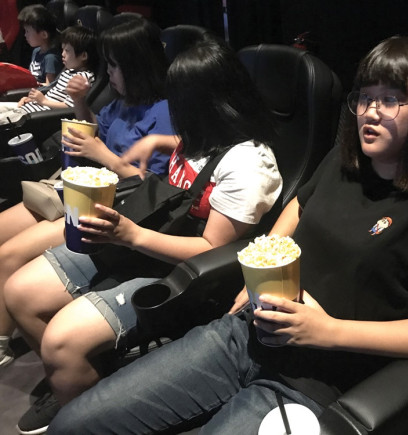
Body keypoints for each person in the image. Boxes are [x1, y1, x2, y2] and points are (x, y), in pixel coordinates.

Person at [41, 34, 408, 434]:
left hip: (317, 380)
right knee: (74, 423)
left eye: (390, 99)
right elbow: (299, 205)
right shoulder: (343, 161)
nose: (369, 112)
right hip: (247, 334)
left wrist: (329, 331)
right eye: (365, 97)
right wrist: (259, 269)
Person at [6, 37, 282, 434]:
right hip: (145, 236)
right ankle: (75, 378)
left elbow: (211, 248)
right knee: (19, 292)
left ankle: (84, 396)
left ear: (207, 104)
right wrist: (157, 140)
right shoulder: (203, 134)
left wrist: (130, 235)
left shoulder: (249, 165)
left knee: (60, 343)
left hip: (178, 268)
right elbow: (188, 156)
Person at [0, 16, 174, 371]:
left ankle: (9, 346)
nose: (107, 73)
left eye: (113, 65)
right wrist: (80, 102)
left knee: (8, 257)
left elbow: (153, 187)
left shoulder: (164, 113)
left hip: (112, 203)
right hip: (79, 186)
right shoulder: (122, 101)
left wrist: (102, 154)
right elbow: (96, 131)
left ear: (137, 65)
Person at [0, 25, 97, 125]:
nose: (62, 54)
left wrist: (43, 101)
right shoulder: (68, 71)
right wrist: (32, 99)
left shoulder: (83, 78)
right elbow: (53, 94)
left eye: (67, 51)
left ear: (83, 56)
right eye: (62, 49)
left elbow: (70, 106)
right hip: (29, 107)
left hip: (31, 115)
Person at [18, 4, 63, 86]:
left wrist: (36, 84)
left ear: (44, 35)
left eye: (28, 31)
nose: (25, 35)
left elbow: (49, 86)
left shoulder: (50, 58)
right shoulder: (36, 51)